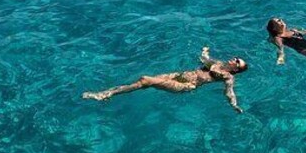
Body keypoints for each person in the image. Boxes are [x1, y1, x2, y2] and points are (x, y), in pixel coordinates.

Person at [83, 48, 248, 113]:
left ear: (236, 69)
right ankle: (107, 94)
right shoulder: (217, 63)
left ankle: (107, 94)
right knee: (143, 82)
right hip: (179, 74)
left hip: (186, 85)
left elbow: (229, 92)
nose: (235, 59)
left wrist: (234, 105)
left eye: (238, 62)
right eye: (237, 58)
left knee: (145, 80)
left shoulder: (228, 76)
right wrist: (204, 52)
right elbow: (204, 59)